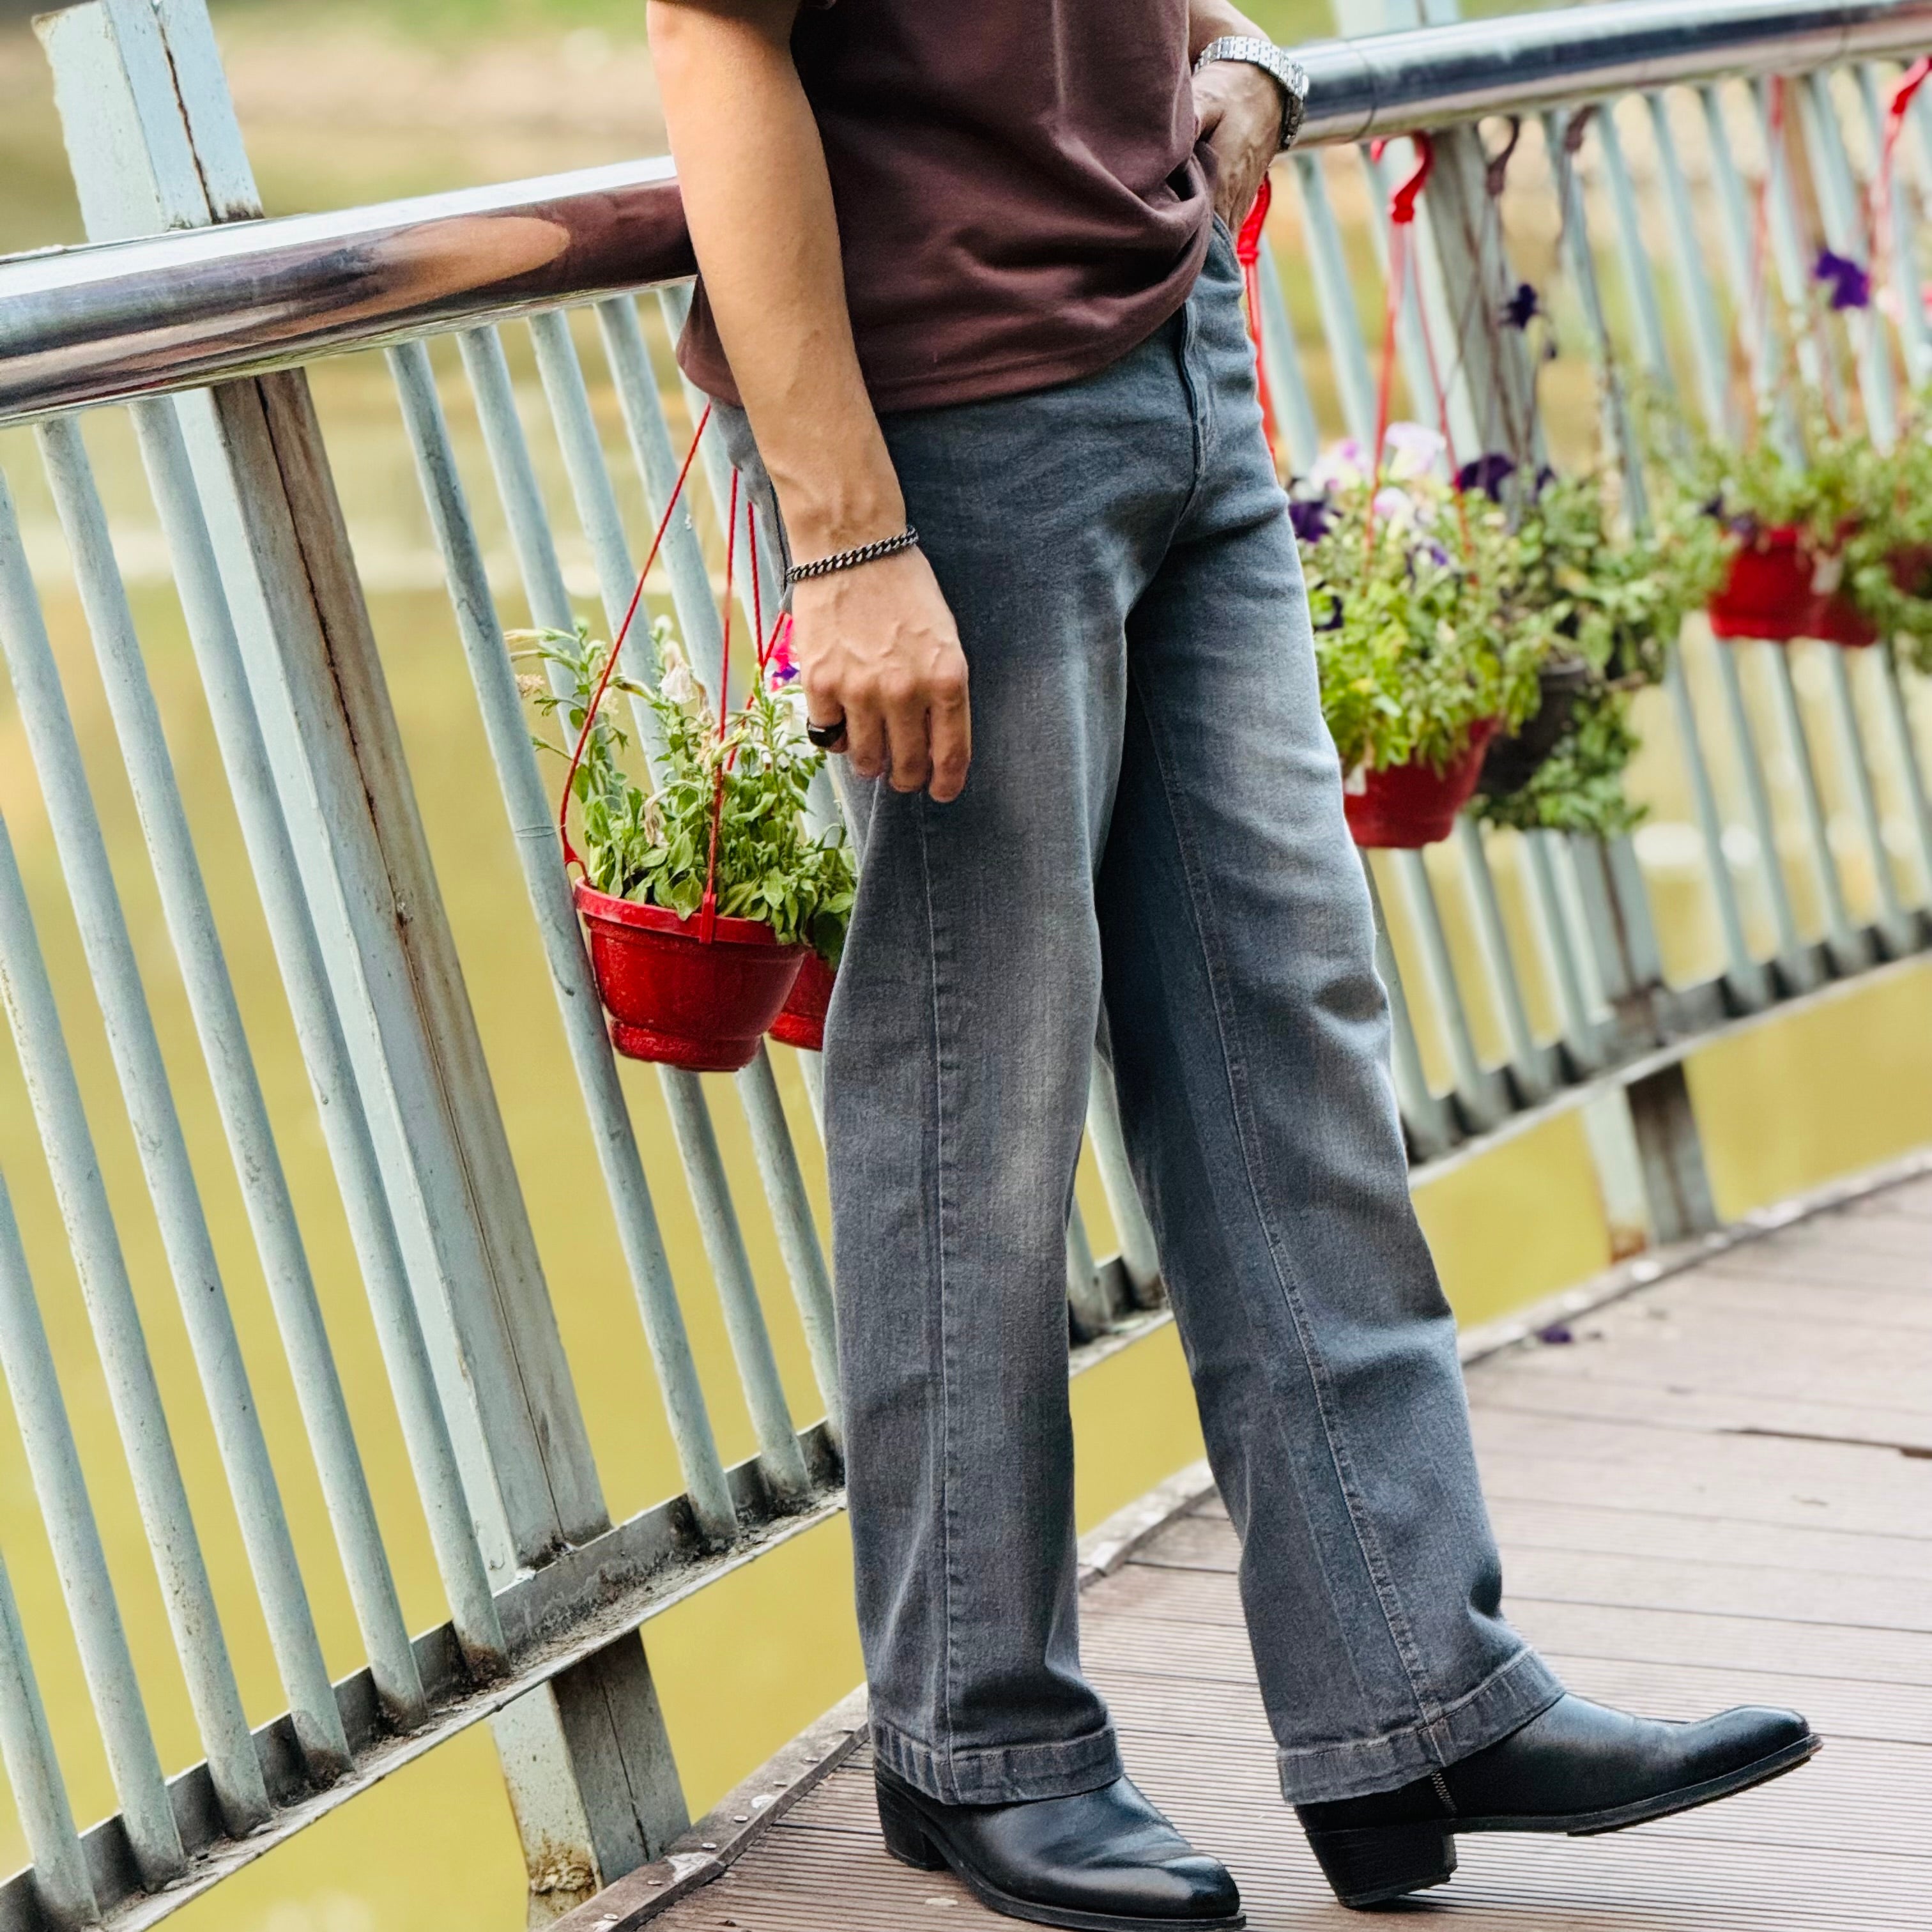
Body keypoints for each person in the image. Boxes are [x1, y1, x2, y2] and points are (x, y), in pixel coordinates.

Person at [644, 3, 1820, 1922]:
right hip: (955, 421)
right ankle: (978, 1740)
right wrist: (849, 536)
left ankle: (1412, 1695)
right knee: (973, 1099)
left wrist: (1243, 57)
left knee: (1295, 1033)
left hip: (1176, 347)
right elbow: (716, 45)